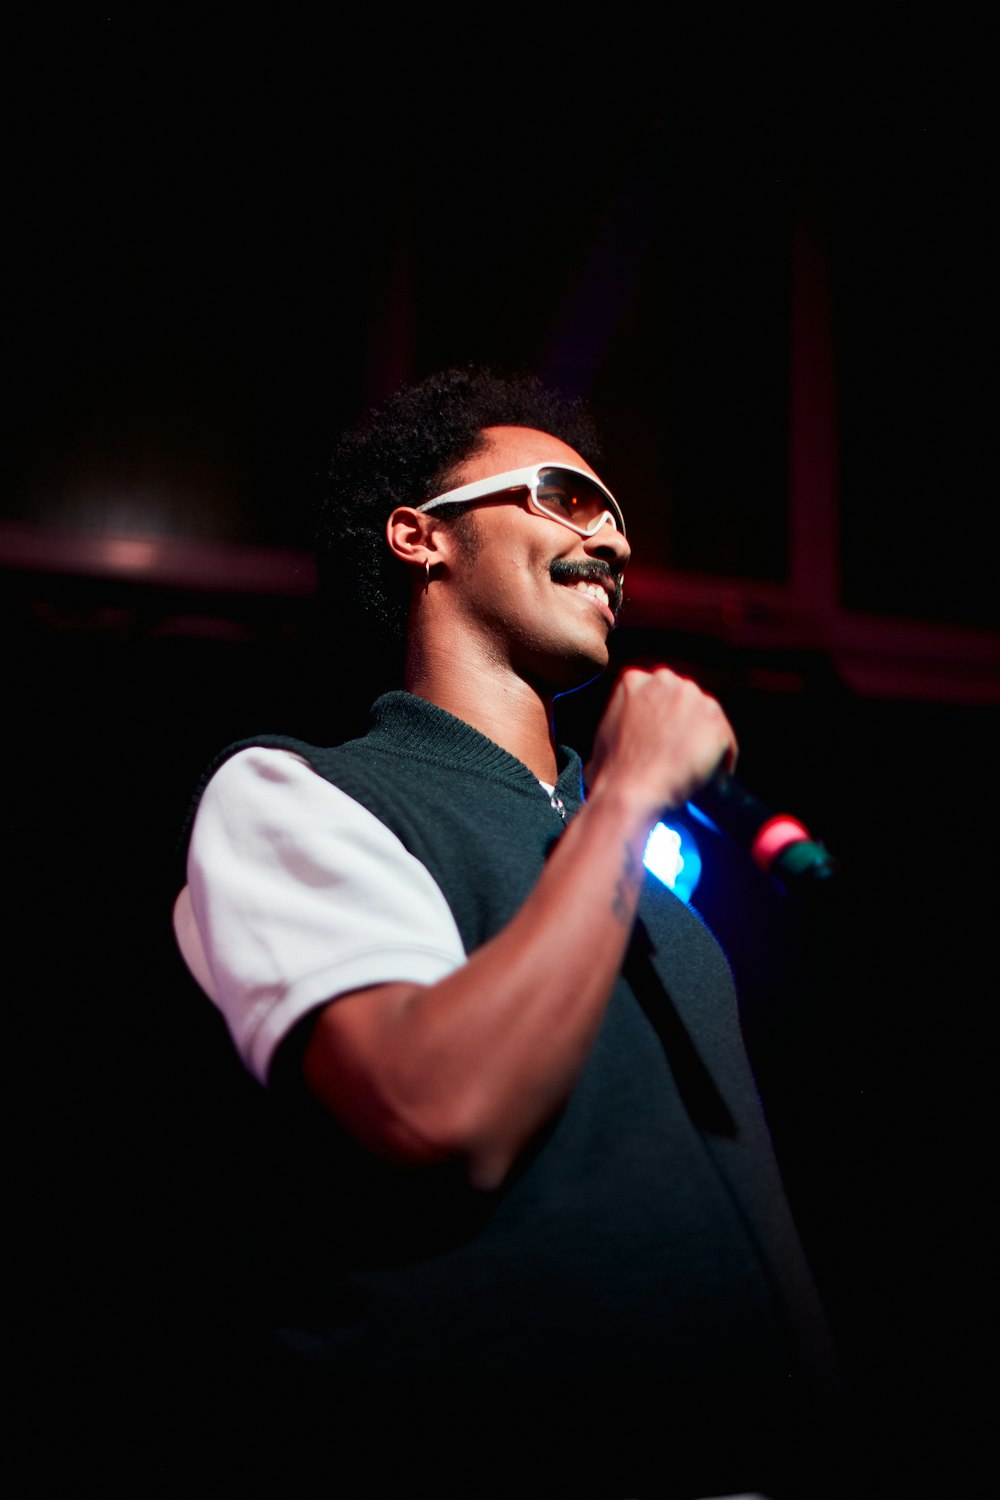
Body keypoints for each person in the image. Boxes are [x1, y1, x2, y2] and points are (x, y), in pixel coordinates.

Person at [173, 367, 849, 1497]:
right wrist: (629, 800)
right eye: (563, 498)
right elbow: (428, 1109)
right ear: (419, 537)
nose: (614, 541)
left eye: (619, 518)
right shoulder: (295, 795)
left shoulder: (650, 890)